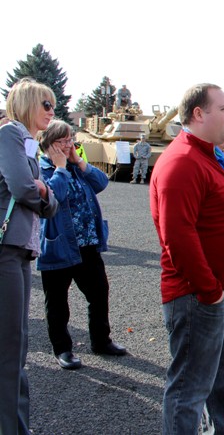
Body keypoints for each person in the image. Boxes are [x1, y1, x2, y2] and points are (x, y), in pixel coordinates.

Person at [150, 83, 224, 434]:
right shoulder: (181, 161)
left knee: (218, 378)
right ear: (199, 113)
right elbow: (177, 237)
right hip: (201, 296)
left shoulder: (212, 155)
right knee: (189, 387)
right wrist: (210, 290)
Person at [38, 120, 127, 371]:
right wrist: (61, 168)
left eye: (70, 140)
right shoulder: (42, 170)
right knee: (57, 301)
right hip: (58, 244)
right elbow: (54, 195)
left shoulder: (75, 167)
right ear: (49, 144)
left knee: (99, 293)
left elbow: (101, 183)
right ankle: (63, 349)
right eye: (63, 141)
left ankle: (101, 341)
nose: (69, 146)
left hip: (87, 243)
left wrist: (78, 162)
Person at [0, 79, 59, 435]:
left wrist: (42, 193)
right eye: (46, 104)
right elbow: (25, 187)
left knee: (17, 345)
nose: (52, 112)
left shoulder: (26, 142)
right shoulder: (10, 134)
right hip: (8, 248)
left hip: (21, 250)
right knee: (10, 347)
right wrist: (42, 193)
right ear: (26, 104)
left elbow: (47, 200)